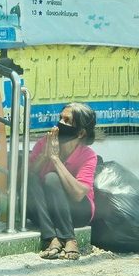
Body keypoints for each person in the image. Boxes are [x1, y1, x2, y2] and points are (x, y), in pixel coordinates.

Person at [27, 102, 98, 260]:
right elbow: (26, 178)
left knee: (52, 178)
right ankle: (51, 239)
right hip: (47, 209)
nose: (60, 123)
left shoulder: (88, 155)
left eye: (67, 120)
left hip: (78, 211)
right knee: (31, 177)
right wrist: (44, 156)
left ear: (80, 133)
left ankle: (69, 239)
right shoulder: (45, 142)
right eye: (60, 118)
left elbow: (78, 194)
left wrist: (55, 158)